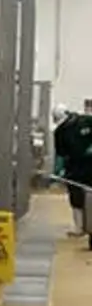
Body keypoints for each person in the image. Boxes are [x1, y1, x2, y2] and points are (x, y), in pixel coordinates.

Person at [55, 102, 92, 246]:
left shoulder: (87, 121)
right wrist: (60, 169)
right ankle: (79, 226)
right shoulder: (60, 132)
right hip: (74, 167)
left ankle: (89, 225)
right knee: (76, 196)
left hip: (91, 164)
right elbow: (61, 153)